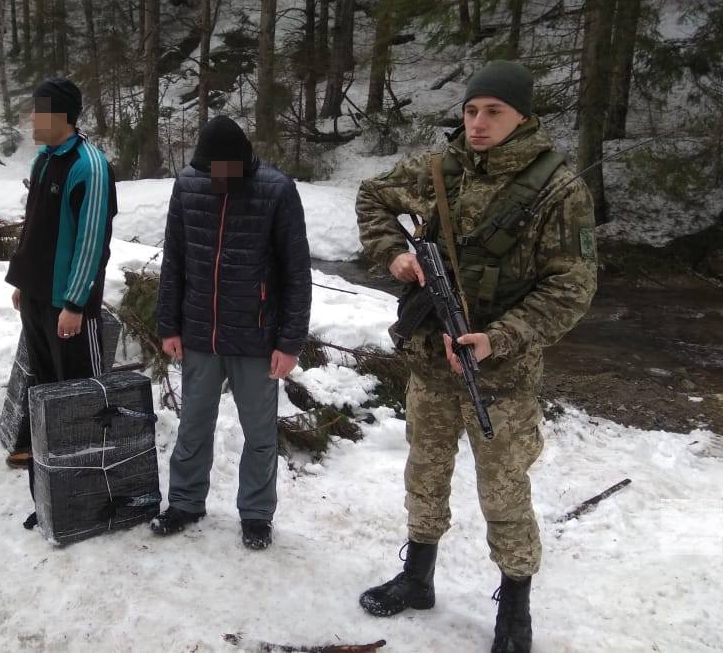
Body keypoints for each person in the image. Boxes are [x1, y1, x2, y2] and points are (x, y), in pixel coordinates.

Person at [354, 61, 598, 652]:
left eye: (494, 111)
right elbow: (372, 196)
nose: (479, 123)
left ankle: (515, 608)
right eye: (470, 111)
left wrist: (500, 337)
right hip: (431, 365)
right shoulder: (440, 168)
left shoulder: (557, 190)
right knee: (426, 472)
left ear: (523, 116)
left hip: (503, 377)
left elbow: (572, 286)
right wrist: (394, 255)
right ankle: (418, 576)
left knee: (504, 493)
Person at [152, 115, 312, 550]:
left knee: (259, 434)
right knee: (193, 425)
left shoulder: (276, 190)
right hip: (200, 331)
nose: (215, 180)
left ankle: (257, 514)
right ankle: (185, 502)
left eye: (223, 173)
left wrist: (290, 341)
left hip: (258, 338)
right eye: (208, 172)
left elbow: (297, 272)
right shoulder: (189, 184)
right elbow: (176, 260)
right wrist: (169, 324)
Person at [5, 77, 117, 501]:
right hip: (36, 296)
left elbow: (92, 243)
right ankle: (48, 457)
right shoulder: (44, 159)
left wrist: (74, 304)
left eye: (38, 110)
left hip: (68, 306)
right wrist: (22, 279)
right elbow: (33, 226)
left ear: (61, 115)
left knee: (80, 387)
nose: (31, 118)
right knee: (43, 381)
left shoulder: (90, 165)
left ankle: (87, 469)